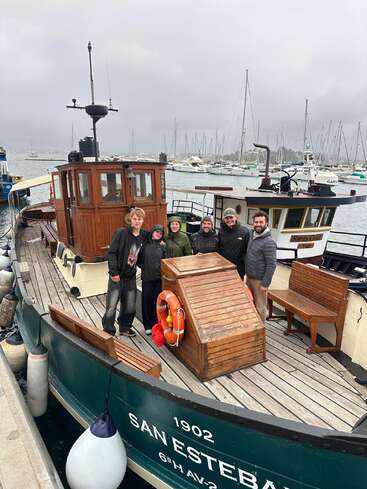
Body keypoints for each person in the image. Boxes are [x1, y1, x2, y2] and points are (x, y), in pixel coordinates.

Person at [102, 207, 146, 337]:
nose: (137, 221)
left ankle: (124, 327)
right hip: (117, 276)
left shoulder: (144, 235)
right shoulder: (121, 233)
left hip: (130, 276)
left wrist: (160, 242)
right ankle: (108, 330)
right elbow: (111, 253)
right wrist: (113, 272)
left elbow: (155, 236)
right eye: (134, 219)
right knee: (111, 305)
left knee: (130, 305)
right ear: (130, 220)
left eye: (139, 219)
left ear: (143, 221)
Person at [245, 210, 277, 324]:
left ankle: (261, 330)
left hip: (259, 281)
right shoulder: (252, 235)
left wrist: (265, 283)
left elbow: (272, 264)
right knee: (251, 304)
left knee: (260, 307)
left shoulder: (269, 242)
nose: (258, 224)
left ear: (266, 223)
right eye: (256, 222)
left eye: (261, 222)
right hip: (249, 277)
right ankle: (254, 326)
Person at [138, 224, 166, 335]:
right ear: (152, 232)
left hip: (158, 279)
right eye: (156, 231)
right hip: (147, 278)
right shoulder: (144, 246)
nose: (158, 234)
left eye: (160, 233)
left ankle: (156, 323)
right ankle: (147, 325)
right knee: (146, 302)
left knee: (157, 302)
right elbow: (139, 262)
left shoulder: (163, 246)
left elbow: (165, 261)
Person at [218, 208, 249, 279]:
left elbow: (247, 251)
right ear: (224, 219)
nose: (229, 220)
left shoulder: (244, 232)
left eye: (231, 217)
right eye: (226, 218)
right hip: (224, 268)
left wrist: (245, 268)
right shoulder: (221, 231)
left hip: (239, 269)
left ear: (236, 217)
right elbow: (219, 248)